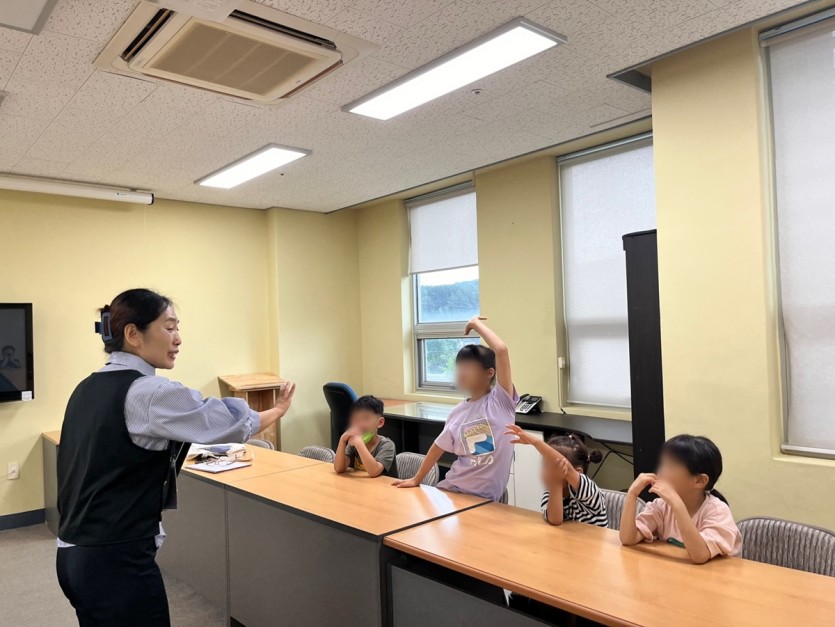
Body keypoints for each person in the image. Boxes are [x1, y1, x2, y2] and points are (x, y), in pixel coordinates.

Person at [56, 288, 296, 626]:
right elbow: (223, 422)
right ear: (133, 334)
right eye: (169, 327)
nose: (178, 338)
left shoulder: (86, 387)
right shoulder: (149, 392)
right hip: (115, 560)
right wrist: (278, 410)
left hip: (73, 553)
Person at [393, 316, 517, 501]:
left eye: (468, 367)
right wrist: (416, 479)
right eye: (459, 367)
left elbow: (501, 350)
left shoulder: (501, 401)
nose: (461, 373)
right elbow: (437, 447)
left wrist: (475, 324)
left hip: (485, 500)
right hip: (453, 492)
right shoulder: (457, 412)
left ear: (489, 373)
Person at [619, 434, 742, 564]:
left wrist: (676, 503)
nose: (660, 472)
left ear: (699, 481)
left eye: (670, 467)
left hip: (717, 575)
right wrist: (632, 494)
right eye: (662, 464)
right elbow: (628, 538)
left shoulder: (718, 512)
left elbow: (700, 555)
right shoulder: (661, 506)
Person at [506, 427, 607, 527]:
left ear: (578, 472)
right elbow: (555, 520)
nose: (545, 472)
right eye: (545, 465)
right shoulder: (550, 491)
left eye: (554, 467)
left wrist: (536, 442)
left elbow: (566, 466)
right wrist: (556, 483)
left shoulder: (591, 492)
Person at [334, 395, 398, 478]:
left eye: (365, 419)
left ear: (380, 423)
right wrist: (342, 440)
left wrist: (359, 444)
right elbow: (339, 468)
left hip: (384, 486)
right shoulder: (354, 443)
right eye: (356, 419)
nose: (360, 424)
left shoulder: (387, 445)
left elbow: (374, 471)